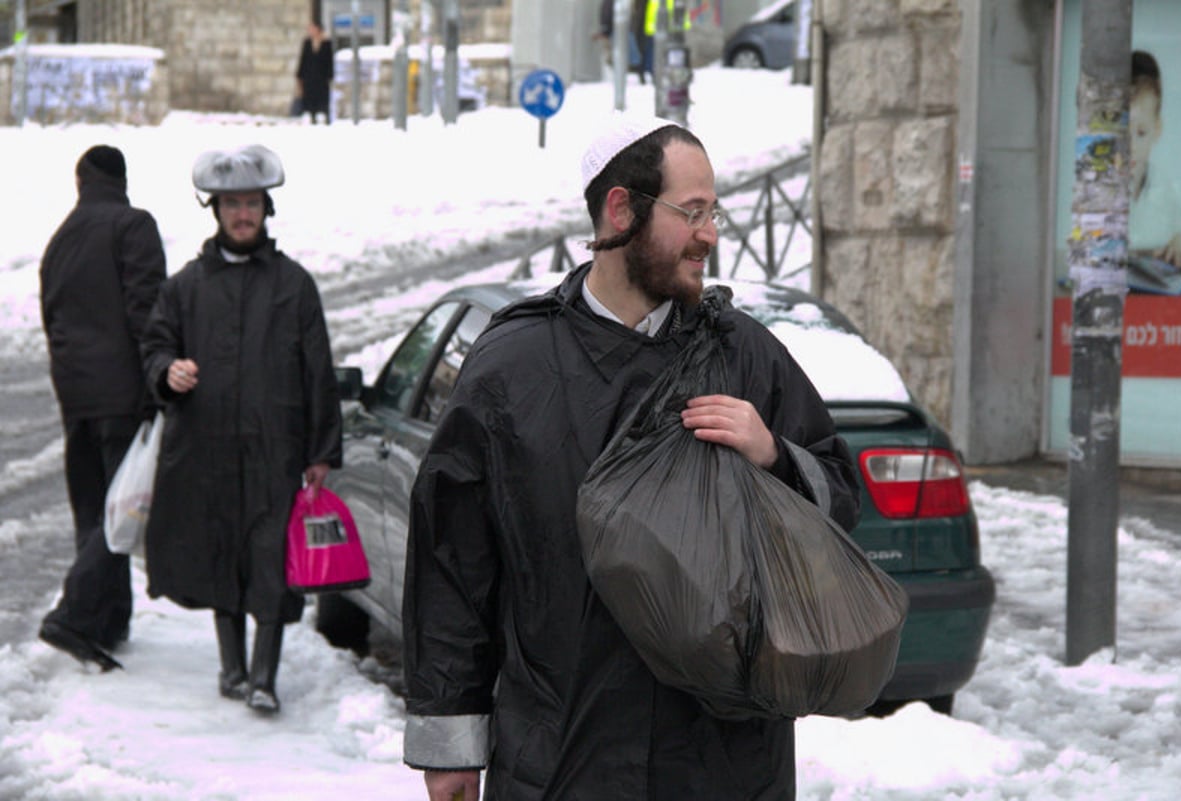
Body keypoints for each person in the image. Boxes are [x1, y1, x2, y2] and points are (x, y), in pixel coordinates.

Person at [401, 115, 861, 800]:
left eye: (715, 212)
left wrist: (776, 457)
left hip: (724, 767)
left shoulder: (744, 354)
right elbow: (453, 563)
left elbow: (843, 505)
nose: (711, 235)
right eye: (692, 212)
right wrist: (451, 742)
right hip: (561, 761)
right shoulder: (512, 366)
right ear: (622, 208)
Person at [140, 144, 342, 715]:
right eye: (232, 203)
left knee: (271, 563)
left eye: (252, 202)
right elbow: (155, 347)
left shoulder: (293, 285)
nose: (242, 213)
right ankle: (231, 669)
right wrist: (167, 371)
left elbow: (318, 371)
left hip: (275, 453)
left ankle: (263, 678)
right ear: (216, 210)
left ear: (266, 208)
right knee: (217, 556)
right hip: (203, 450)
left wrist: (322, 450)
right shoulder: (185, 287)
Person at [37, 145, 167, 672]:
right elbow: (147, 309)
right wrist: (157, 383)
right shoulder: (133, 226)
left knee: (93, 507)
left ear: (81, 181)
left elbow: (51, 319)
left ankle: (107, 622)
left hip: (76, 397)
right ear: (122, 179)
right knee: (123, 510)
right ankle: (72, 615)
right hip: (121, 396)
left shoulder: (60, 240)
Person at [1129, 49, 1181, 275]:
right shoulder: (1100, 184)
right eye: (1121, 134)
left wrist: (1178, 241)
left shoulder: (1159, 184)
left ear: (1156, 130)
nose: (1130, 148)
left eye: (1141, 133)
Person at [295, 20, 334, 125]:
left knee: (323, 96)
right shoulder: (307, 43)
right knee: (310, 96)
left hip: (322, 77)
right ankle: (312, 116)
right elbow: (303, 59)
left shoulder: (326, 43)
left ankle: (325, 115)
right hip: (309, 76)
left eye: (312, 28)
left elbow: (329, 61)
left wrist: (330, 75)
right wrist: (299, 76)